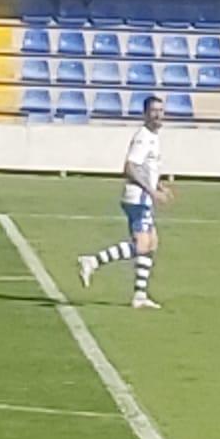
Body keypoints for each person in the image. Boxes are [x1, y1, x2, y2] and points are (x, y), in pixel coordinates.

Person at [77, 96, 169, 310]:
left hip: (142, 196)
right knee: (142, 244)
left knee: (151, 242)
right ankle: (92, 261)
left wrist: (159, 184)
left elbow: (147, 168)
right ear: (145, 113)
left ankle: (140, 295)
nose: (158, 115)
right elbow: (130, 167)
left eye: (161, 110)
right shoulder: (143, 137)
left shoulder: (154, 138)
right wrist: (151, 190)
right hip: (138, 198)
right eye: (154, 111)